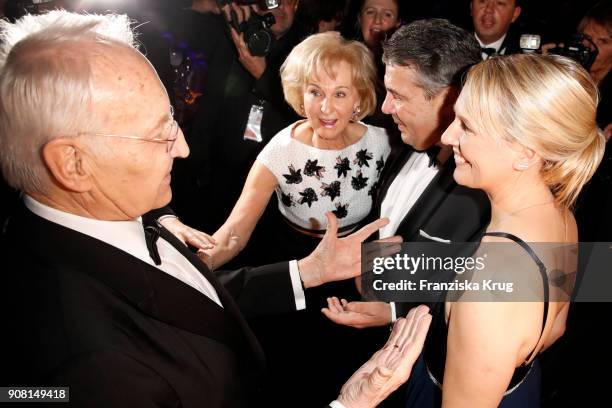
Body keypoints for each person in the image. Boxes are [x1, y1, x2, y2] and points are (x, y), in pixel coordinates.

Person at [0, 10, 433, 407]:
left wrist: (321, 275)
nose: (184, 149)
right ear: (73, 164)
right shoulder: (81, 360)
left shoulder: (125, 217)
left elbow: (194, 296)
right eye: (158, 133)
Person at [406, 53, 603, 407]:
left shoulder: (488, 290)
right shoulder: (562, 213)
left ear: (525, 153)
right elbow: (556, 328)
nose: (448, 135)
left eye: (466, 125)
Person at [322, 19, 490, 329]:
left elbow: (491, 297)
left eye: (398, 96)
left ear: (451, 100)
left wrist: (395, 311)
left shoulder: (486, 187)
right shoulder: (405, 140)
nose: (385, 107)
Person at [203, 31, 390, 269]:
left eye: (340, 94)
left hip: (357, 272)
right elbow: (233, 234)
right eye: (315, 92)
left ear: (359, 98)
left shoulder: (381, 143)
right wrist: (194, 270)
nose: (326, 108)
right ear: (301, 95)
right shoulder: (280, 151)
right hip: (296, 271)